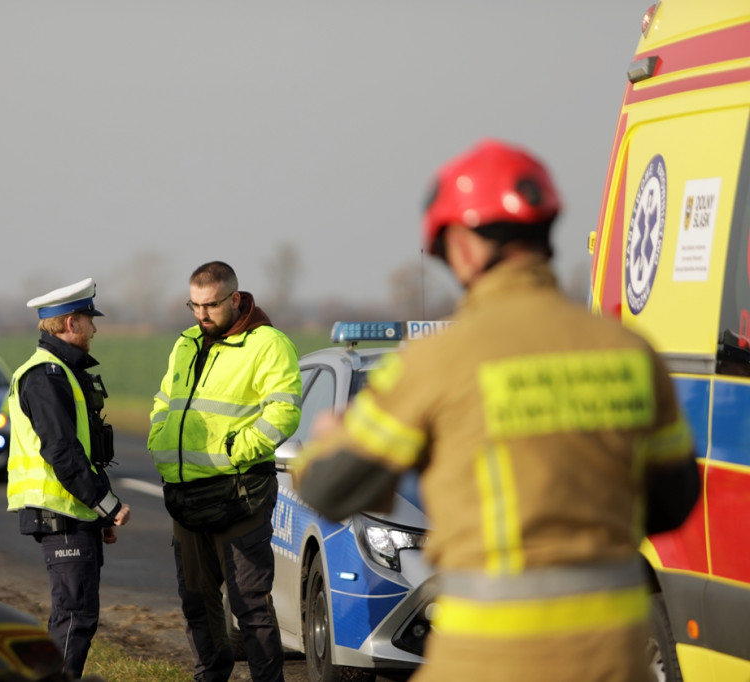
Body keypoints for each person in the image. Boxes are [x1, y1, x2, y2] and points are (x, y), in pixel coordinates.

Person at [293, 139, 701, 682]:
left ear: (462, 245)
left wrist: (328, 439)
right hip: (614, 661)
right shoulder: (631, 354)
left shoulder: (434, 364)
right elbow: (673, 505)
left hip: (487, 660)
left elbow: (328, 490)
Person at [148, 261, 302, 682]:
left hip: (240, 493)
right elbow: (166, 398)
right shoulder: (185, 343)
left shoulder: (267, 344)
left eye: (211, 305)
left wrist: (239, 450)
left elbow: (284, 410)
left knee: (249, 604)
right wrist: (159, 436)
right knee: (196, 601)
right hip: (186, 493)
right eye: (193, 305)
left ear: (234, 299)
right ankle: (209, 676)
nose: (201, 315)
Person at [6, 277, 130, 680]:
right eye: (90, 320)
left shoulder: (62, 371)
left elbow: (86, 451)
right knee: (74, 616)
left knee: (77, 615)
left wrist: (99, 516)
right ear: (71, 323)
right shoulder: (46, 376)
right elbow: (62, 452)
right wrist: (107, 506)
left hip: (75, 514)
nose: (96, 328)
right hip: (59, 513)